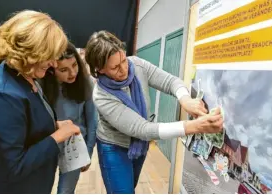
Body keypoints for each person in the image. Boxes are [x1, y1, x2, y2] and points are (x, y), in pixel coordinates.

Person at [84, 30, 224, 194]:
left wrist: (185, 99)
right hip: (114, 147)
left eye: (123, 60)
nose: (124, 69)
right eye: (115, 67)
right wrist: (194, 126)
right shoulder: (101, 96)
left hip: (138, 146)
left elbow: (170, 81)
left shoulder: (136, 65)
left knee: (131, 187)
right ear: (100, 70)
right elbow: (142, 129)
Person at [0, 10, 81, 194]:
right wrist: (57, 136)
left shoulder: (25, 77)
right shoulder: (4, 96)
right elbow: (13, 167)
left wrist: (54, 125)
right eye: (49, 56)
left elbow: (24, 129)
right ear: (30, 53)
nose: (54, 64)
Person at [41, 42, 98, 194]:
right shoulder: (40, 86)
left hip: (74, 147)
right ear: (52, 70)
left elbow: (93, 121)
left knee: (65, 192)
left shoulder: (86, 84)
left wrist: (89, 152)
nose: (72, 73)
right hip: (48, 146)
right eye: (64, 70)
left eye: (74, 65)